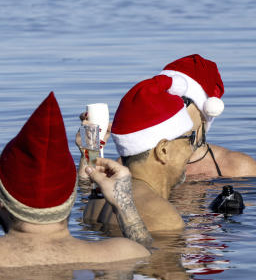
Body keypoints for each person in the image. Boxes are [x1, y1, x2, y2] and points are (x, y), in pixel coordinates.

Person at [0, 92, 151, 269]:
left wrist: (89, 153)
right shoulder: (124, 254)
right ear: (72, 198)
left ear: (1, 200)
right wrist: (124, 204)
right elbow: (151, 266)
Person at [83, 76, 197, 234]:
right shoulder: (162, 217)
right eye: (189, 139)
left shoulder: (97, 201)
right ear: (162, 150)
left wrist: (90, 148)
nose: (192, 149)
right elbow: (154, 258)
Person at [159, 54, 256, 179]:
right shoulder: (138, 163)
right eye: (162, 98)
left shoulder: (237, 167)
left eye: (181, 101)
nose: (168, 107)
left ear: (205, 110)